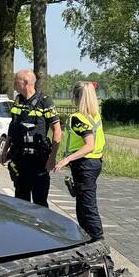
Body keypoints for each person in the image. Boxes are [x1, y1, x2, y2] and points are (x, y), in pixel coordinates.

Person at [52, 81, 105, 241]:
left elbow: (89, 145)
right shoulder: (94, 116)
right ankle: (87, 237)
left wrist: (65, 160)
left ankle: (97, 240)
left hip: (85, 165)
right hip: (95, 162)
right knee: (83, 204)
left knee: (87, 206)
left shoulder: (77, 118)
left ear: (76, 98)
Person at [3, 69, 61, 206]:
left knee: (39, 202)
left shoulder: (45, 102)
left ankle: (42, 227)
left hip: (38, 160)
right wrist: (5, 148)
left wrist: (52, 158)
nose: (14, 85)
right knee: (20, 201)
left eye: (16, 81)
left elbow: (57, 130)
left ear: (26, 82)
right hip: (19, 159)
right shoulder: (18, 100)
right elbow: (13, 125)